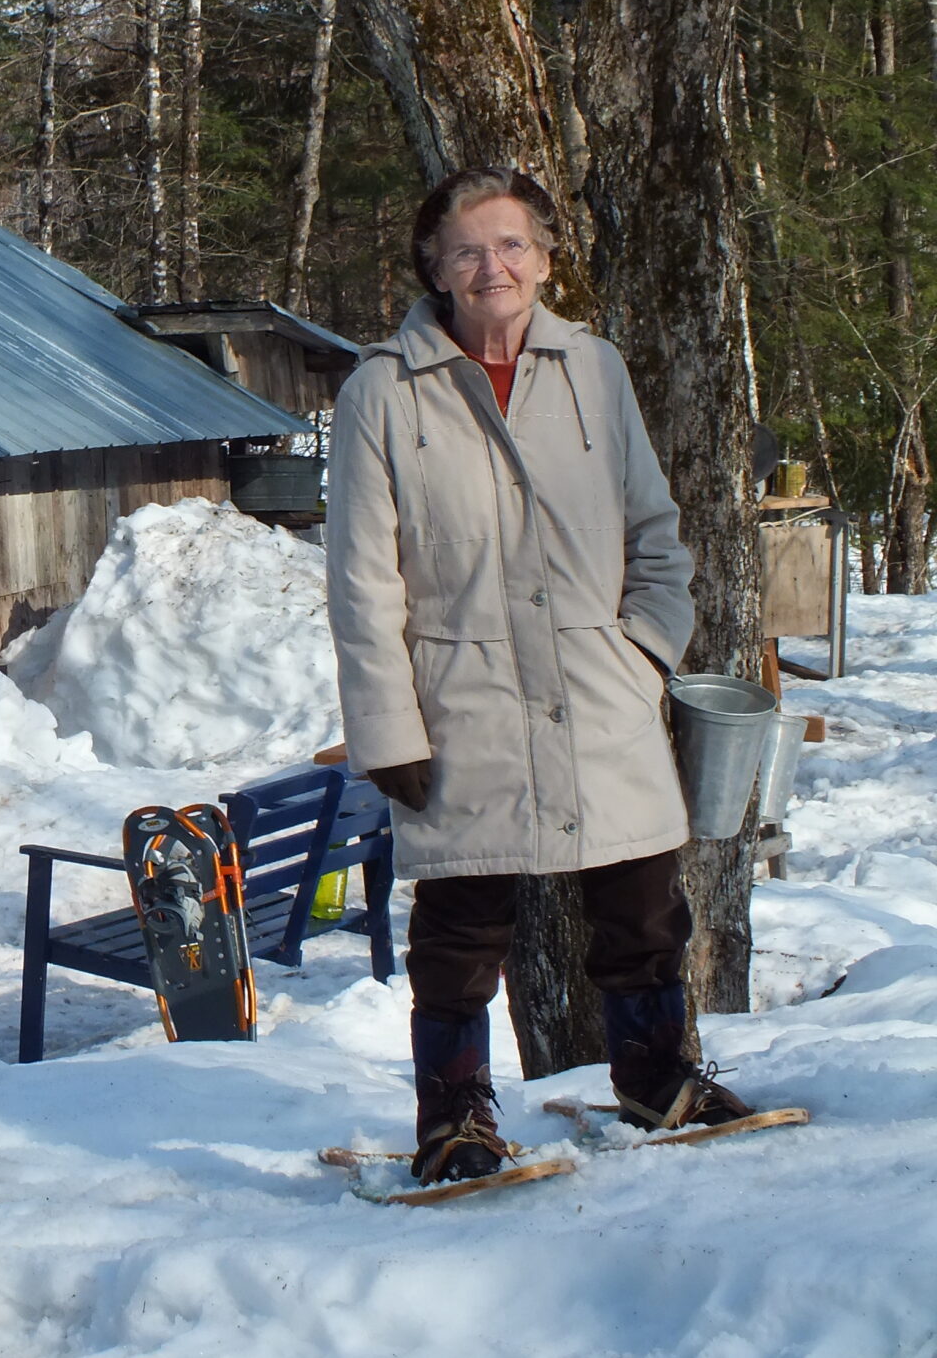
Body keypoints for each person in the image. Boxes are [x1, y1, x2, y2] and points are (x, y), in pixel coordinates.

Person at [324, 167, 753, 1185]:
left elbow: (655, 531)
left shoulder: (593, 369)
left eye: (511, 244)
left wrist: (642, 650)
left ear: (545, 259)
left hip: (598, 690)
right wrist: (387, 728)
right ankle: (454, 1120)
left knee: (643, 912)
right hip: (461, 704)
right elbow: (359, 582)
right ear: (431, 264)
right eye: (467, 249)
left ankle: (655, 1077)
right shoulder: (381, 390)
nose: (491, 266)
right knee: (461, 933)